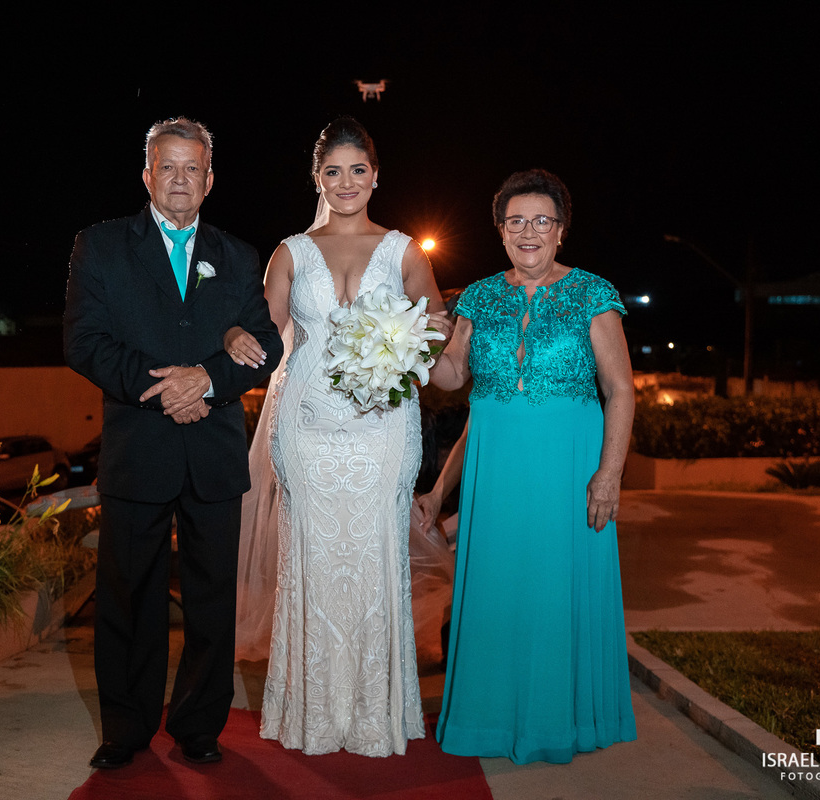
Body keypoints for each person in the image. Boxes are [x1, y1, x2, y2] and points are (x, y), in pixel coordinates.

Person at [226, 117, 452, 757]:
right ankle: (313, 713)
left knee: (377, 554)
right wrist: (231, 337)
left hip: (384, 428)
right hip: (306, 427)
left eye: (358, 170)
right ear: (317, 179)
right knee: (314, 556)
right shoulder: (290, 252)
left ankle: (375, 713)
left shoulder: (404, 251)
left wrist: (407, 346)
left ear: (376, 177)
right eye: (333, 171)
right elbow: (267, 335)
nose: (346, 182)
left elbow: (436, 321)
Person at [63, 117, 283, 769]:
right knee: (129, 596)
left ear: (210, 180)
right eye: (168, 167)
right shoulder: (100, 246)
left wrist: (208, 380)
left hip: (214, 453)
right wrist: (166, 389)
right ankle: (125, 729)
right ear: (147, 175)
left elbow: (266, 344)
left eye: (193, 168)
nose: (180, 179)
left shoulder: (238, 255)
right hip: (139, 449)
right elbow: (83, 342)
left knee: (213, 601)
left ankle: (198, 725)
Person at [429, 168, 637, 763]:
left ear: (561, 230)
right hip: (496, 470)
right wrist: (413, 345)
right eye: (515, 221)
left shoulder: (592, 294)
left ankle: (557, 720)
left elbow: (620, 389)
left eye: (541, 221)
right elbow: (452, 376)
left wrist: (609, 473)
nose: (528, 232)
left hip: (567, 468)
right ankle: (489, 720)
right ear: (499, 231)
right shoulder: (477, 297)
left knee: (556, 587)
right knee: (496, 586)